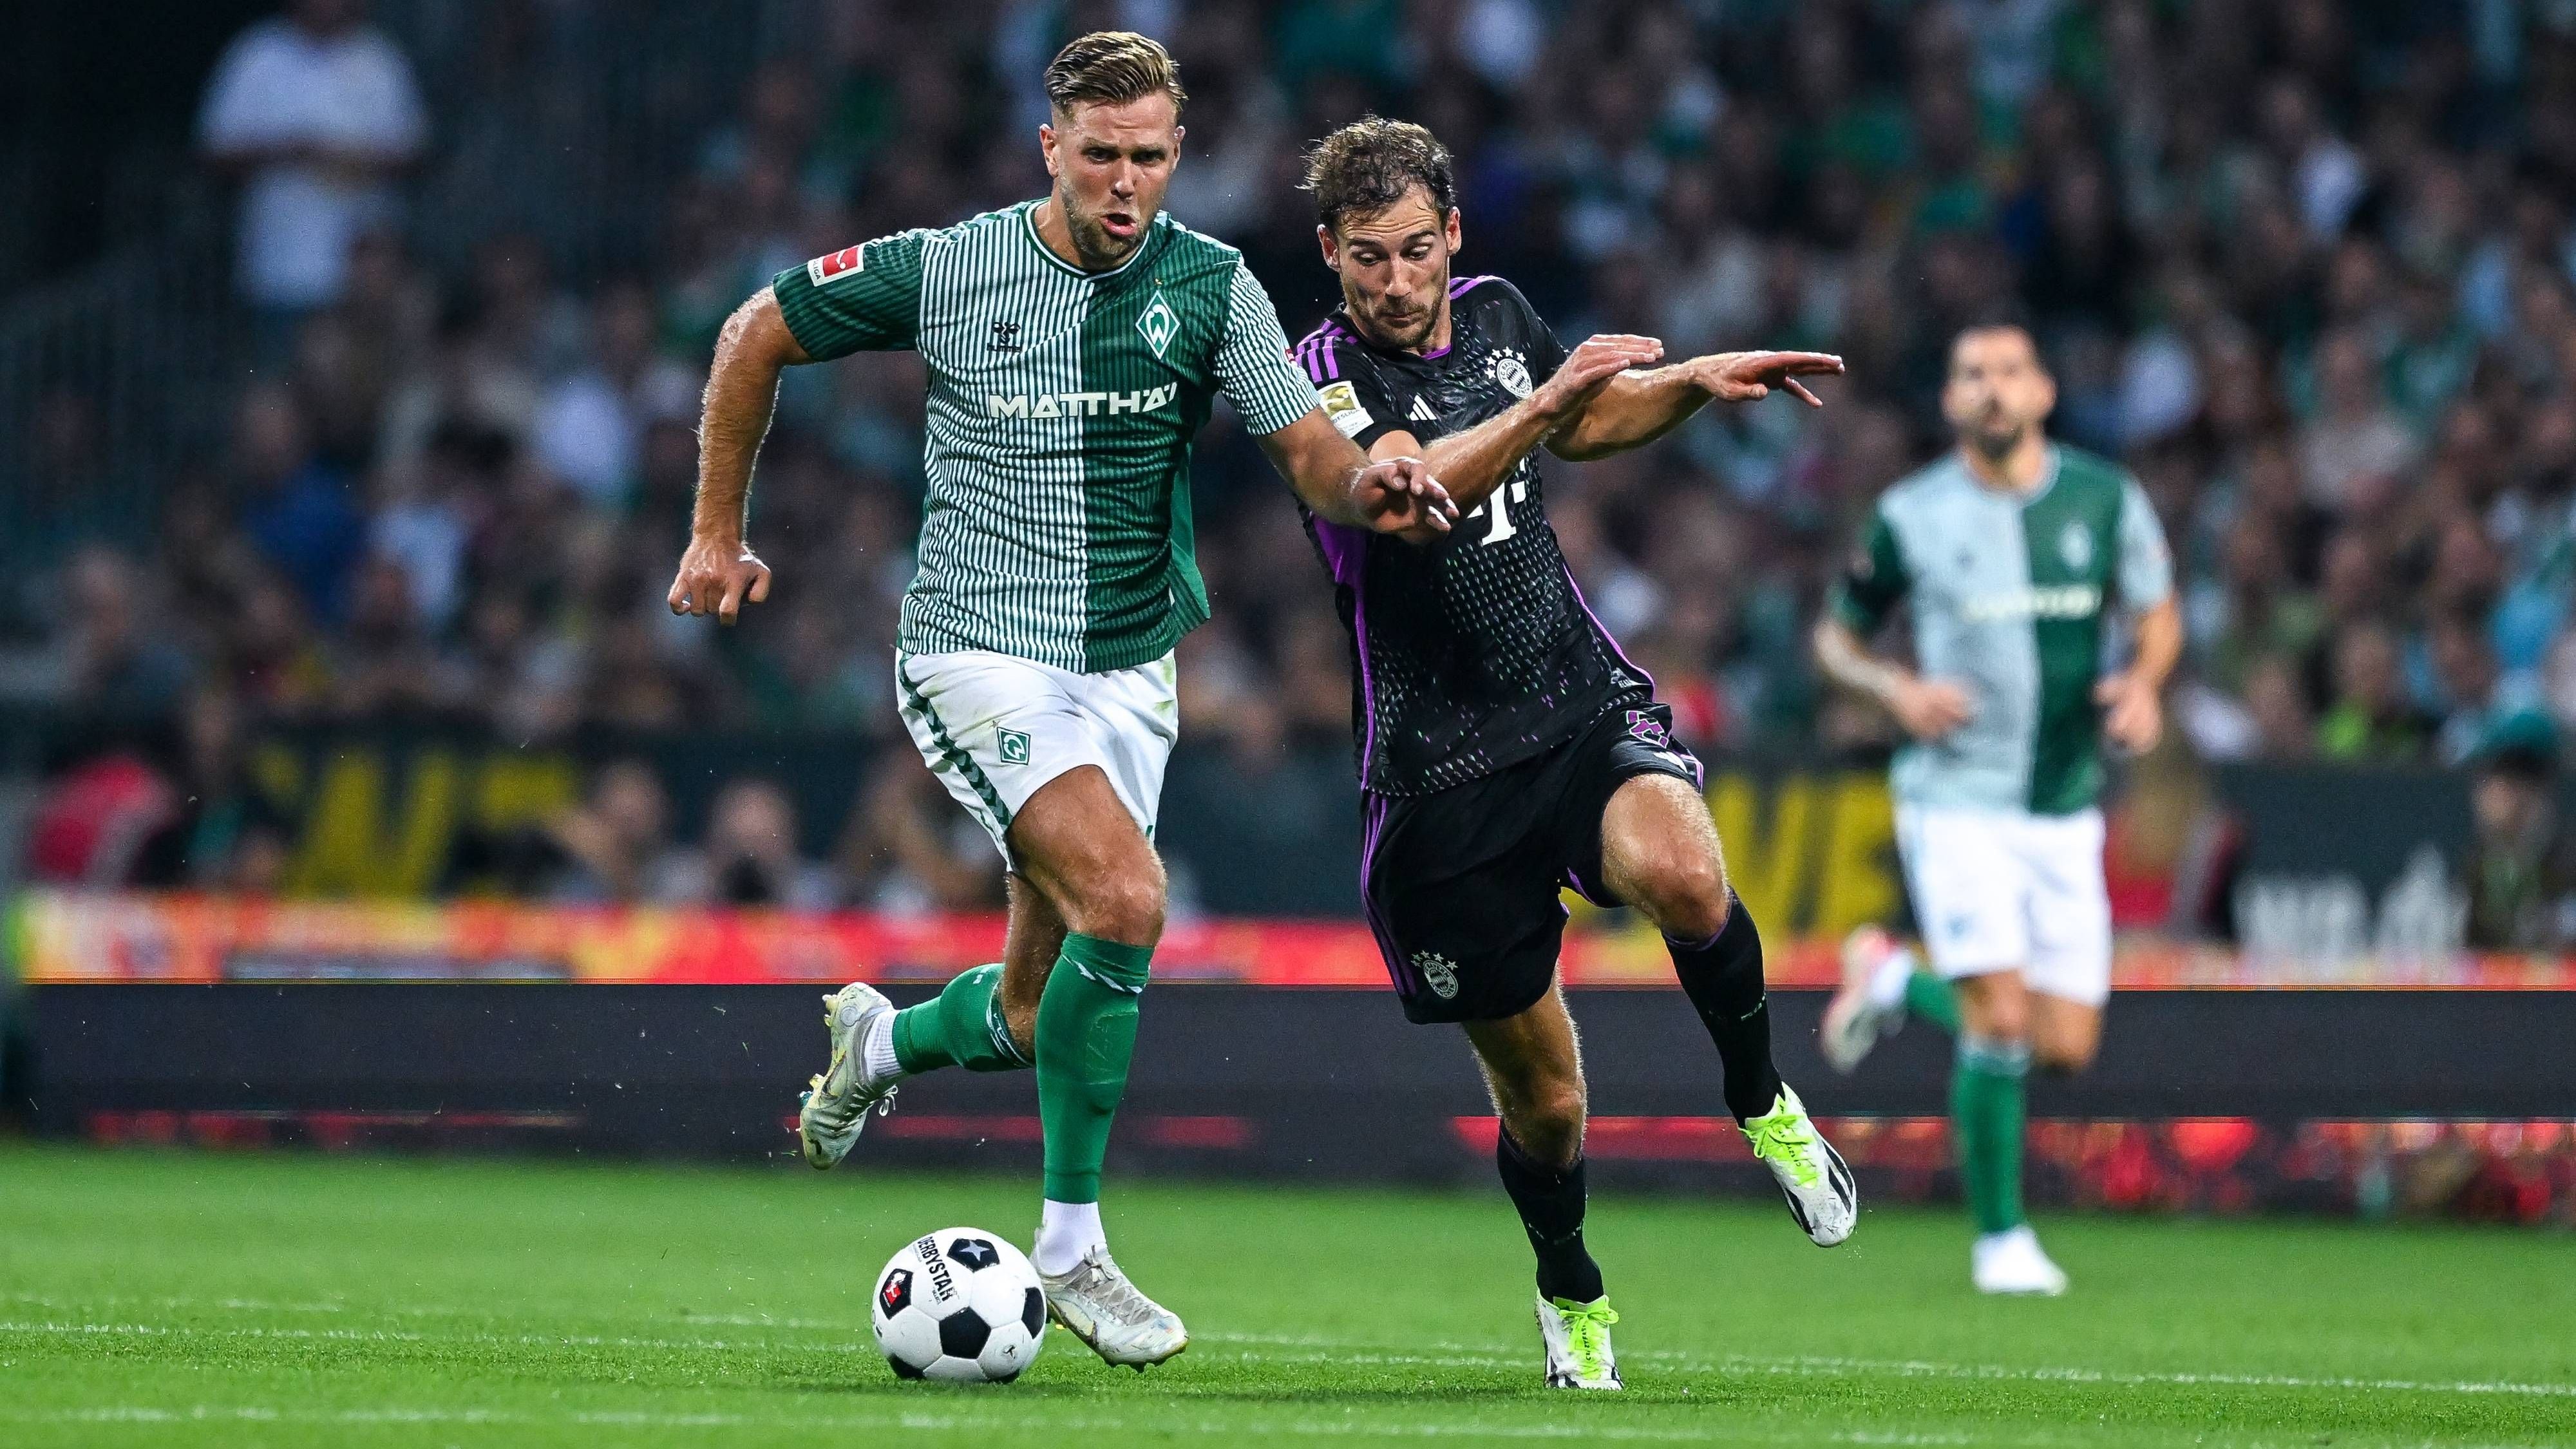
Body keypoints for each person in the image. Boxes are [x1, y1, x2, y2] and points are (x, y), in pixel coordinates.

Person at [666, 34, 1452, 1369]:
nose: (1125, 181)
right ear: (1051, 149)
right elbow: (756, 334)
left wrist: (1373, 475)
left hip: (1127, 670)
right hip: (975, 649)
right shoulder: (950, 264)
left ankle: (879, 1042)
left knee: (1042, 1012)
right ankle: (1071, 1249)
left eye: (1148, 156)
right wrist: (713, 533)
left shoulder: (1210, 288)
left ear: (1177, 155)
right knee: (1129, 900)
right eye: (1100, 155)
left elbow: (1308, 453)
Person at [1288, 117, 1855, 1392]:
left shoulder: (1492, 314)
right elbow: (1407, 492)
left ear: (1451, 236)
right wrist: (1549, 402)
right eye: (1367, 256)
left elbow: (1585, 429)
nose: (1394, 280)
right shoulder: (1311, 380)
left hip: (1567, 703)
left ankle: (1763, 1103)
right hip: (1436, 777)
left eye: (1415, 249)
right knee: (1546, 1104)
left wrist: (1689, 385)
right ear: (1329, 252)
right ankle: (1570, 1287)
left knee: (1688, 877)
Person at [1813, 323, 2181, 1296]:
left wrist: (2144, 683)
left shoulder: (2105, 499)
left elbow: (2158, 610)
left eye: (2010, 371)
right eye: (1971, 373)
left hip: (2063, 803)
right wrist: (1892, 691)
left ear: (2045, 390)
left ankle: (1892, 979)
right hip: (1954, 797)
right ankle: (2001, 1240)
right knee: (2003, 1019)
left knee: (2064, 1044)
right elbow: (1837, 639)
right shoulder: (1912, 514)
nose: (1992, 389)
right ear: (1950, 401)